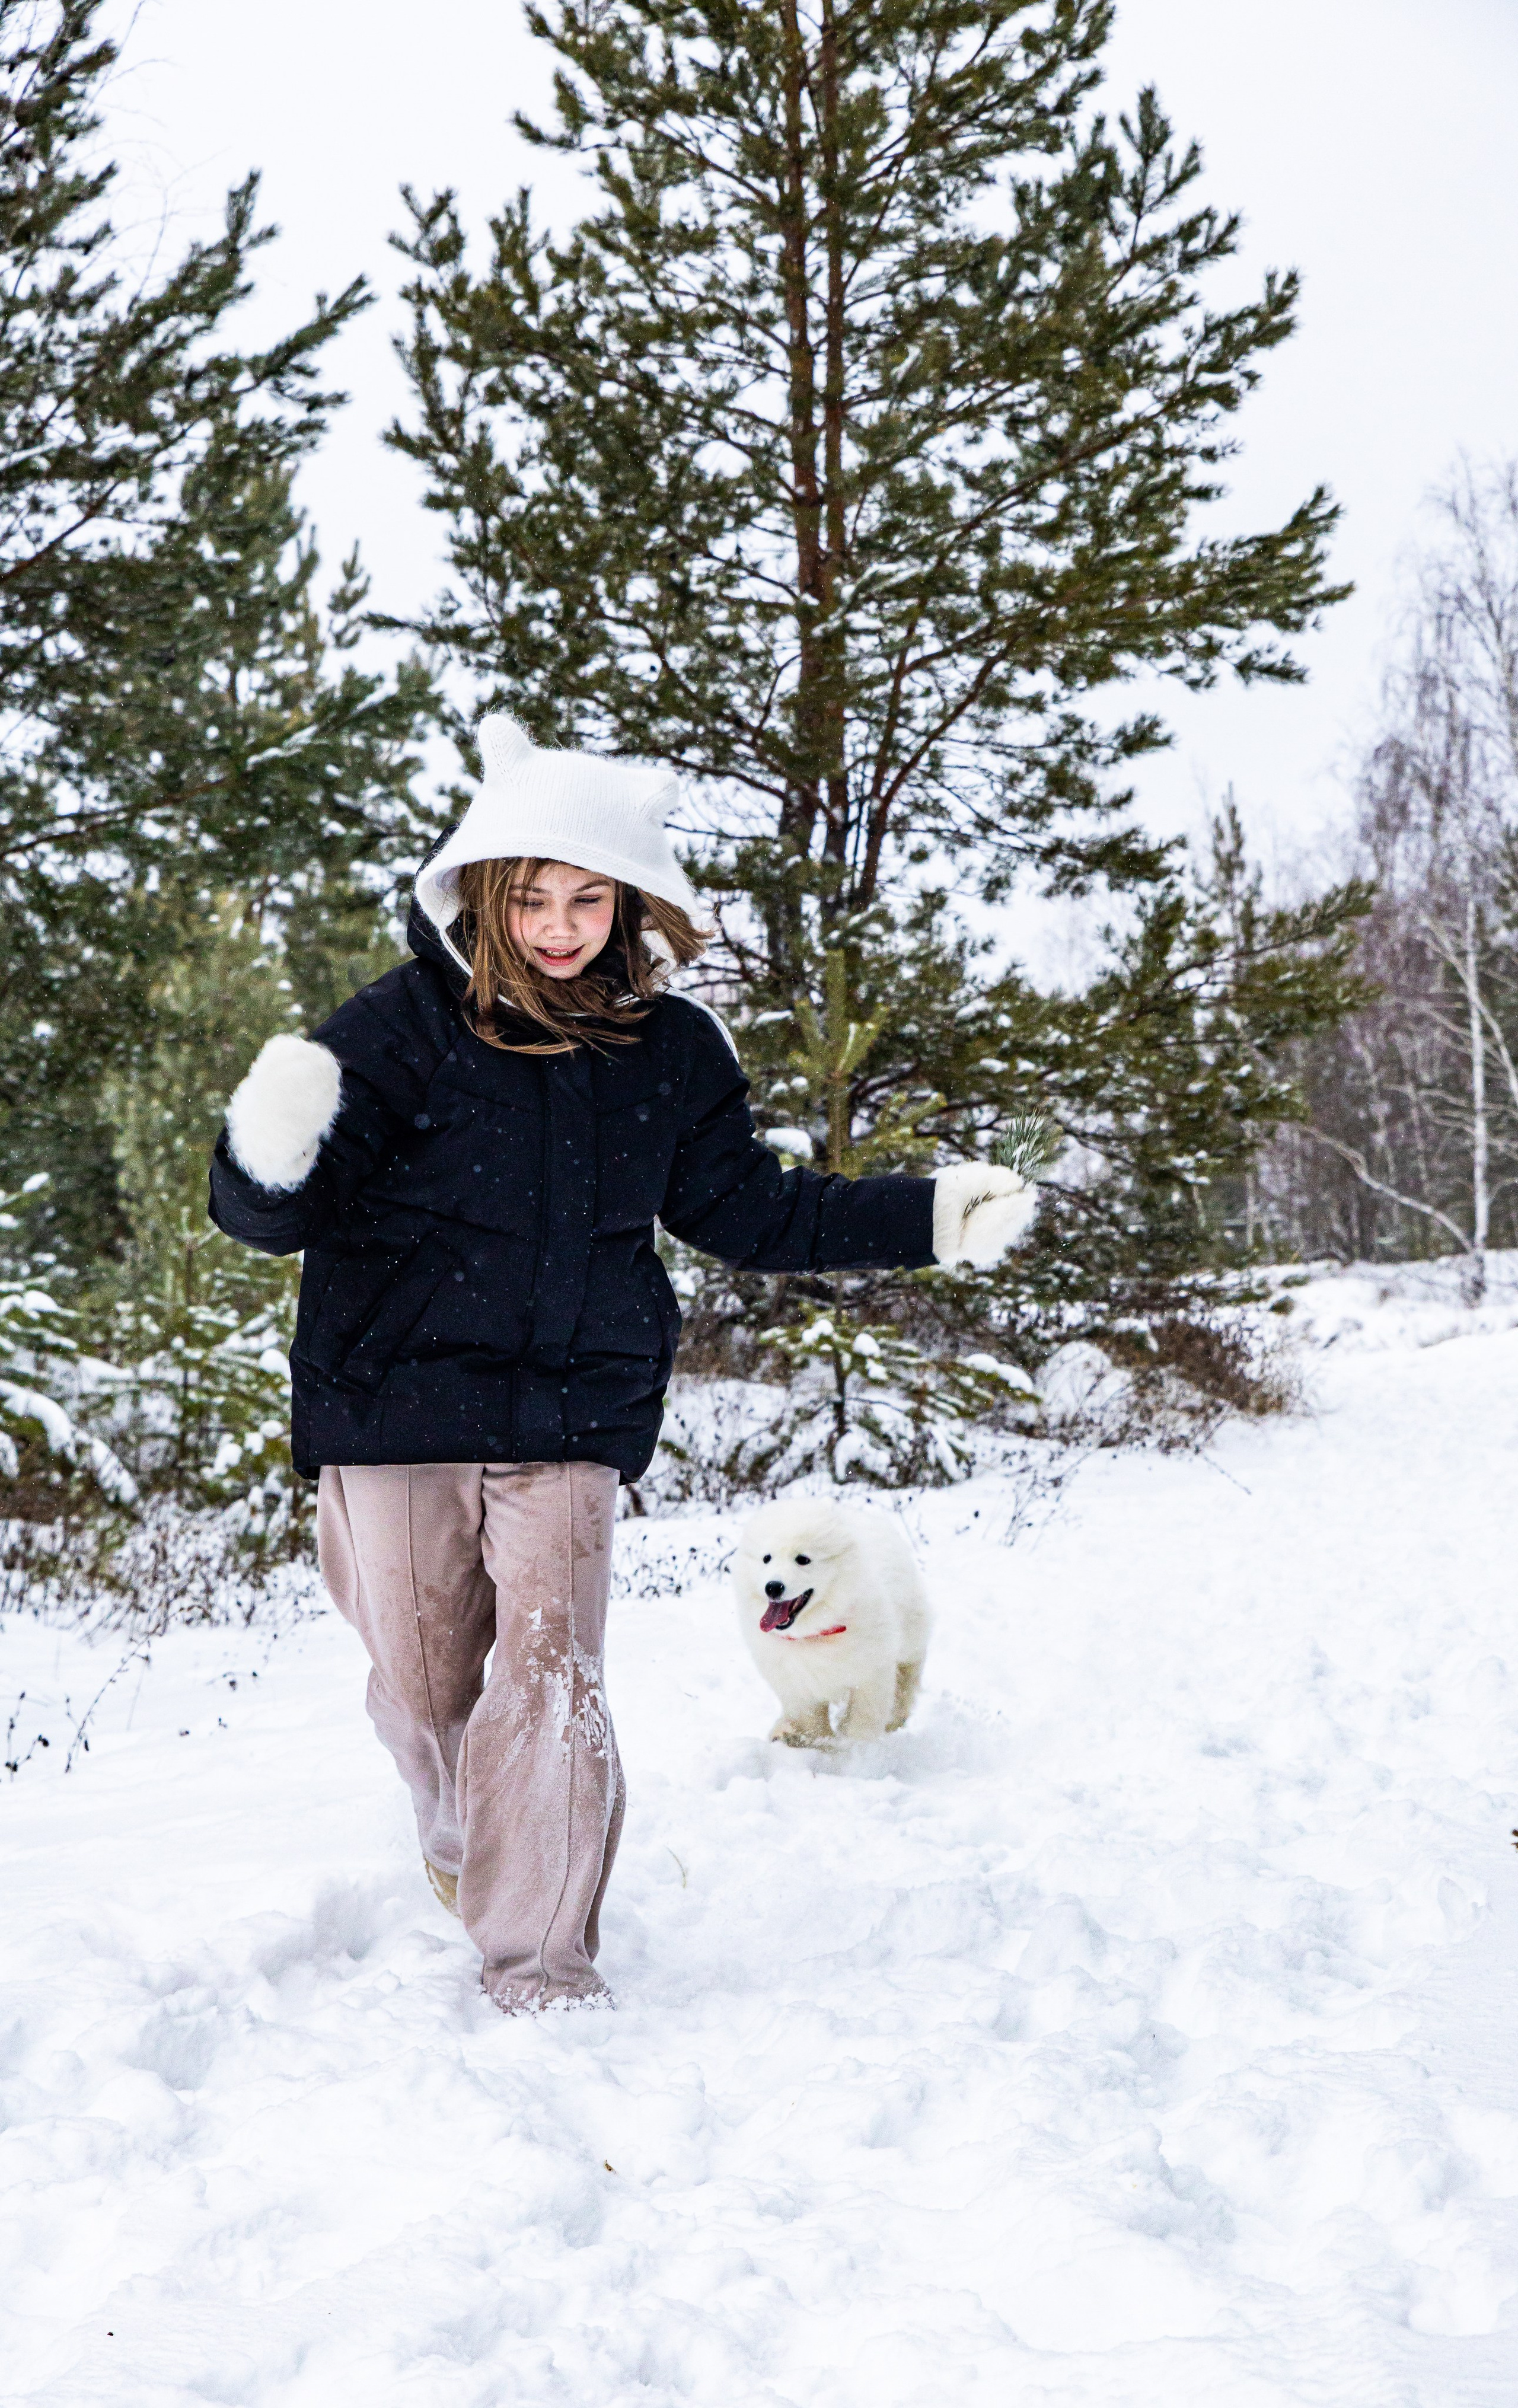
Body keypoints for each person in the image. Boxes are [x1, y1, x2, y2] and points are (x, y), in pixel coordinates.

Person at [209, 712, 1036, 2014]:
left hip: (568, 1413)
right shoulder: (397, 1031)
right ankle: (458, 1830)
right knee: (427, 1688)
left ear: (628, 900)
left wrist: (925, 1218)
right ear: (481, 893)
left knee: (550, 1684)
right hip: (391, 1410)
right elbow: (272, 1218)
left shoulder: (668, 1055)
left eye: (585, 896)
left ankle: (540, 1965)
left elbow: (755, 1213)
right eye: (530, 896)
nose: (556, 923)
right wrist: (268, 1148)